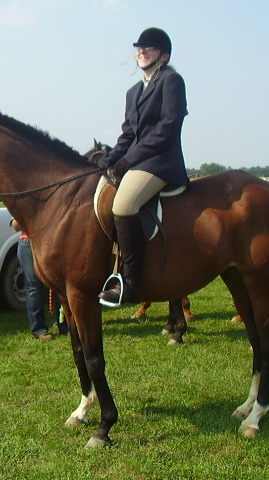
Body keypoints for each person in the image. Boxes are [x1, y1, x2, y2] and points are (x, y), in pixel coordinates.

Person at [97, 27, 189, 308]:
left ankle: (132, 283)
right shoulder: (133, 91)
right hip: (138, 159)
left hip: (161, 161)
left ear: (164, 55)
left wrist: (131, 159)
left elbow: (167, 128)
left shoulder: (172, 81)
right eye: (139, 47)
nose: (141, 51)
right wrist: (112, 157)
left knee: (123, 205)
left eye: (148, 47)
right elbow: (128, 133)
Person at [11, 219, 69, 339]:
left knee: (60, 285)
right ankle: (39, 329)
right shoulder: (23, 200)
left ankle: (65, 326)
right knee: (33, 287)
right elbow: (15, 225)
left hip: (53, 242)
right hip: (29, 243)